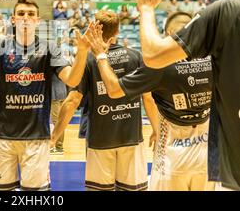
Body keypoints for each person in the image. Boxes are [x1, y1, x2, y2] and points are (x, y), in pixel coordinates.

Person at [0, 0, 92, 191]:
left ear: (37, 20)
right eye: (21, 14)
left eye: (31, 14)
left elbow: (71, 80)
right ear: (13, 19)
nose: (26, 18)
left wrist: (81, 53)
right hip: (3, 137)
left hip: (36, 139)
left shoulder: (49, 48)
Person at [134, 0, 240, 191]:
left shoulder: (226, 11)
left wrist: (145, 8)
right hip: (207, 149)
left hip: (200, 152)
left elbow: (152, 56)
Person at [87, 11, 214, 191]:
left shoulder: (160, 65)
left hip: (173, 154)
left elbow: (114, 89)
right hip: (207, 154)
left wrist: (100, 55)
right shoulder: (214, 61)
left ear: (169, 34)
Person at [52, 10, 157, 191]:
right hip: (131, 138)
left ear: (96, 29)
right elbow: (148, 97)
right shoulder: (136, 56)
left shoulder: (88, 61)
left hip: (100, 141)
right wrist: (156, 129)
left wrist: (54, 137)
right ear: (117, 31)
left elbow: (72, 101)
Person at [49, 75, 68, 155]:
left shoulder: (53, 64)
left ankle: (58, 147)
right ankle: (59, 146)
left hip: (55, 95)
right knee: (60, 121)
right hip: (62, 92)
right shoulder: (63, 64)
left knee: (56, 121)